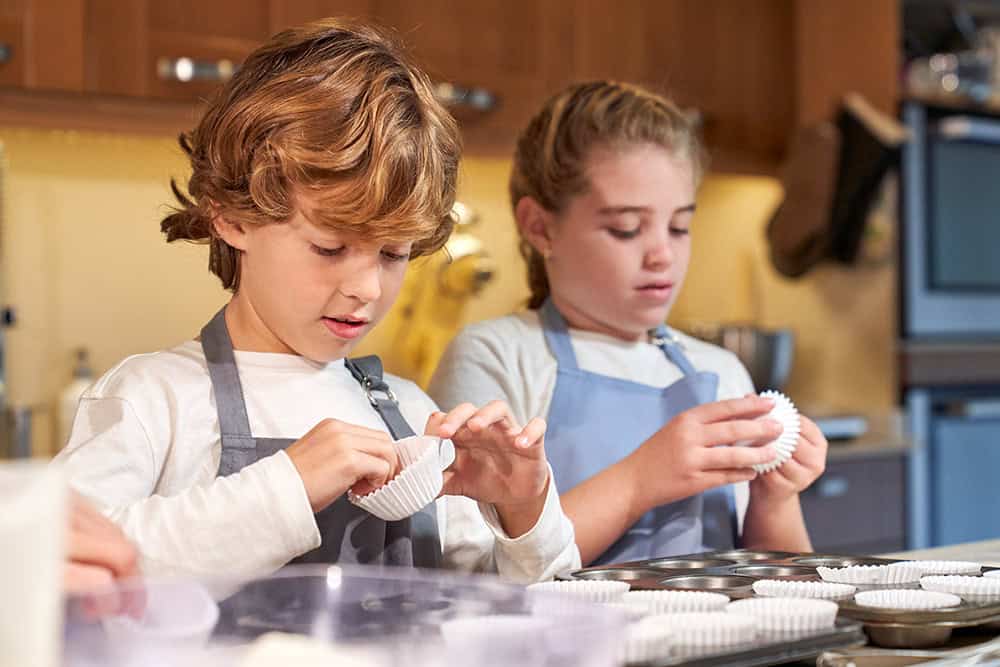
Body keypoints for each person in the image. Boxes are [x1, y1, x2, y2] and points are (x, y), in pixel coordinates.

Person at [53, 18, 577, 583]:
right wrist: (287, 488)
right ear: (229, 215)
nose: (368, 289)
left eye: (393, 254)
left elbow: (507, 613)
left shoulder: (412, 417)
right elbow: (51, 571)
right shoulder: (154, 402)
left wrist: (525, 516)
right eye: (330, 247)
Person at [428, 81, 828, 566]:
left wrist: (775, 498)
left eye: (679, 226)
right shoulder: (498, 356)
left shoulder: (721, 371)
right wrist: (640, 480)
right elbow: (474, 576)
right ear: (540, 227)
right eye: (626, 228)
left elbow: (778, 586)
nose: (663, 255)